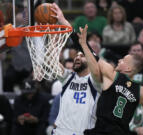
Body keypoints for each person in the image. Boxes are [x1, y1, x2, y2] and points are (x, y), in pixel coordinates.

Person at [77, 24, 143, 135]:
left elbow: (94, 59)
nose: (119, 60)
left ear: (128, 68)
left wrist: (83, 43)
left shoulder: (112, 75)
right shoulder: (141, 91)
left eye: (123, 60)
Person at [50, 3, 101, 135]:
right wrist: (52, 43)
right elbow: (52, 62)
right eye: (76, 55)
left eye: (82, 56)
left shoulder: (96, 81)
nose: (77, 57)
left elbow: (88, 52)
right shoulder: (68, 77)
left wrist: (63, 20)